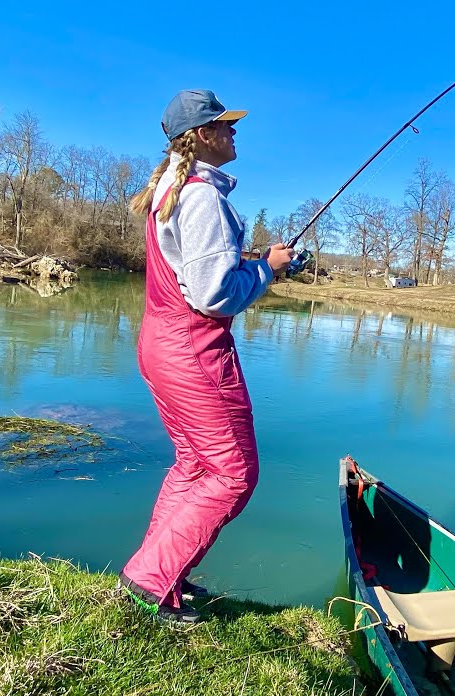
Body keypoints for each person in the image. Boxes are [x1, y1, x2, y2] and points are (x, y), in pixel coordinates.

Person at [118, 89, 294, 624]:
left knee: (197, 465)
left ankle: (161, 569)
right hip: (193, 349)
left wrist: (251, 261)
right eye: (226, 125)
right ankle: (151, 576)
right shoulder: (200, 197)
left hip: (162, 342)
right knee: (234, 473)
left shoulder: (173, 190)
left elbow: (193, 270)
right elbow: (214, 295)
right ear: (201, 136)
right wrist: (268, 270)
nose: (234, 132)